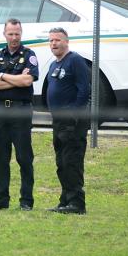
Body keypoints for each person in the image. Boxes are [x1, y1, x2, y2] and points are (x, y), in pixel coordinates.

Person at [0, 19, 39, 212]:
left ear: (21, 34)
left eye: (17, 34)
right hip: (0, 111)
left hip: (21, 110)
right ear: (4, 34)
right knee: (0, 156)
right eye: (10, 34)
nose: (14, 38)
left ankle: (26, 201)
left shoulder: (29, 55)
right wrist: (14, 79)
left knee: (24, 157)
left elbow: (27, 81)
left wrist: (3, 76)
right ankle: (0, 200)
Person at [45, 27, 91, 215]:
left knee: (72, 161)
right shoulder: (54, 64)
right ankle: (65, 200)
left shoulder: (75, 60)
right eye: (51, 40)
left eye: (57, 40)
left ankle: (77, 203)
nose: (54, 43)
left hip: (73, 122)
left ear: (66, 41)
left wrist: (73, 114)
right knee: (61, 162)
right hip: (58, 122)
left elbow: (84, 91)